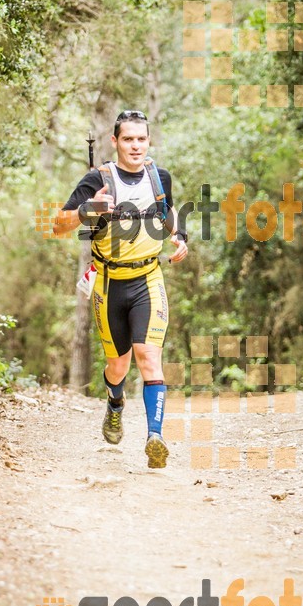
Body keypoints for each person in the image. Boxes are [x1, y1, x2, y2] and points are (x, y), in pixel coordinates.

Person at [53, 110, 188, 468]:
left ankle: (154, 437)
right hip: (110, 284)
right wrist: (89, 208)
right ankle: (115, 402)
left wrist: (179, 234)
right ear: (115, 142)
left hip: (148, 279)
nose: (136, 146)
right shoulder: (97, 179)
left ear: (149, 140)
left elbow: (166, 209)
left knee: (149, 357)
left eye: (141, 139)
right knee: (118, 366)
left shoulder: (159, 177)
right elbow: (58, 224)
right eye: (128, 139)